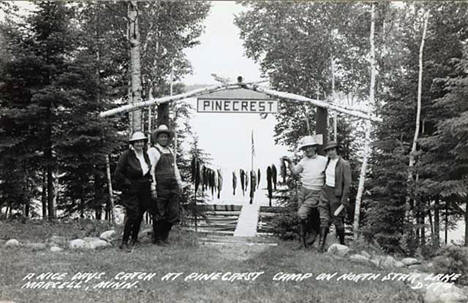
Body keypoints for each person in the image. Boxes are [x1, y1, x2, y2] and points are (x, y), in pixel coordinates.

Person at [282, 135, 327, 250]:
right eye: (305, 148)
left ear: (314, 147)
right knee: (301, 217)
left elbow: (332, 172)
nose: (307, 150)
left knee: (301, 214)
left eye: (310, 147)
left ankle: (312, 234)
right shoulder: (304, 160)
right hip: (303, 191)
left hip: (316, 192)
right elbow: (295, 172)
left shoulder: (324, 160)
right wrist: (290, 162)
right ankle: (302, 243)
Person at [114, 131, 152, 250]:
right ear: (133, 143)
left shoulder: (145, 155)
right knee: (132, 214)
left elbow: (147, 171)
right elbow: (118, 173)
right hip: (131, 189)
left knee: (140, 214)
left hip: (144, 189)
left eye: (142, 141)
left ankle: (134, 240)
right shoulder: (126, 155)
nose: (140, 144)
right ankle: (124, 242)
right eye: (137, 142)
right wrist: (128, 183)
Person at [148, 124, 183, 246]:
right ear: (157, 138)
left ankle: (164, 236)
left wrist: (179, 183)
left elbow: (175, 168)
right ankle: (158, 238)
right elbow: (151, 170)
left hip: (172, 185)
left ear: (168, 138)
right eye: (161, 137)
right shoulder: (153, 151)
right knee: (160, 213)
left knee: (174, 213)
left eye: (166, 137)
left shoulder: (170, 151)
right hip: (160, 186)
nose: (164, 139)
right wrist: (153, 187)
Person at [320, 141, 352, 247]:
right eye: (328, 150)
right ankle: (321, 246)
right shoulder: (327, 162)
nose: (330, 152)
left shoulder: (344, 164)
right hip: (325, 192)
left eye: (332, 149)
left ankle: (342, 244)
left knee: (337, 219)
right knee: (324, 218)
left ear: (337, 150)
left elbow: (347, 184)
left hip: (336, 194)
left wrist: (344, 200)